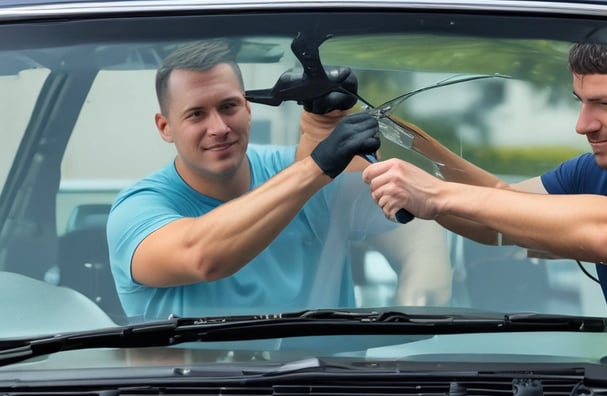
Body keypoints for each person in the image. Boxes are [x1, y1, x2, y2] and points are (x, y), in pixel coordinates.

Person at [363, 42, 607, 342]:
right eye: (581, 102)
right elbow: (499, 212)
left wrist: (437, 195)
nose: (583, 124)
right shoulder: (595, 175)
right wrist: (395, 139)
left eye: (605, 104)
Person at [107, 39, 451, 322]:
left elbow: (415, 225)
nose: (219, 128)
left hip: (333, 390)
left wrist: (416, 302)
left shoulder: (307, 168)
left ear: (248, 108)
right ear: (165, 127)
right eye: (196, 114)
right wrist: (316, 165)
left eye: (229, 106)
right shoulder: (137, 209)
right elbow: (201, 256)